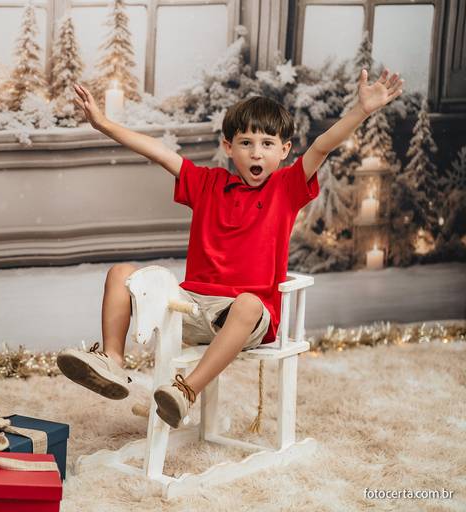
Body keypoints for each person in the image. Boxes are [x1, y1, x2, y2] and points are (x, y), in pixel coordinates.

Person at [57, 69, 404, 428]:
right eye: (246, 143)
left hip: (243, 317)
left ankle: (184, 392)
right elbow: (160, 152)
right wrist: (104, 124)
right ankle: (112, 361)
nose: (257, 153)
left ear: (284, 151)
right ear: (228, 147)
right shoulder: (208, 183)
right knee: (120, 274)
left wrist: (361, 110)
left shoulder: (286, 188)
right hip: (189, 308)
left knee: (250, 302)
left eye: (268, 144)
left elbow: (323, 145)